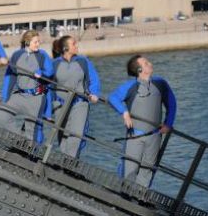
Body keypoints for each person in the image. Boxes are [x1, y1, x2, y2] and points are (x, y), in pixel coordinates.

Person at [108, 55, 176, 188]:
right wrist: (124, 112)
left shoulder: (161, 83)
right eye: (146, 63)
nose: (150, 63)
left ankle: (141, 197)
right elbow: (113, 97)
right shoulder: (131, 86)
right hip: (135, 135)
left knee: (148, 169)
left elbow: (172, 104)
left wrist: (168, 123)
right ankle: (125, 195)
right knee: (129, 168)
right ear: (139, 69)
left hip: (155, 135)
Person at [0, 30, 54, 144]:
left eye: (39, 42)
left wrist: (41, 73)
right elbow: (10, 77)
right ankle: (20, 139)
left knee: (32, 129)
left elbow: (50, 71)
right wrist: (5, 97)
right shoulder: (17, 55)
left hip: (36, 97)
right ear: (27, 42)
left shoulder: (42, 55)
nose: (38, 44)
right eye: (35, 42)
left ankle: (32, 153)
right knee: (1, 116)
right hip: (20, 95)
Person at [51, 35, 101, 158]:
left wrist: (94, 93)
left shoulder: (83, 61)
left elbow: (94, 79)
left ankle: (70, 163)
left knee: (76, 135)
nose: (77, 46)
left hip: (80, 102)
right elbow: (47, 83)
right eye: (74, 44)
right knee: (62, 136)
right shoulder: (54, 64)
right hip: (59, 104)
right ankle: (64, 163)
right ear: (65, 48)